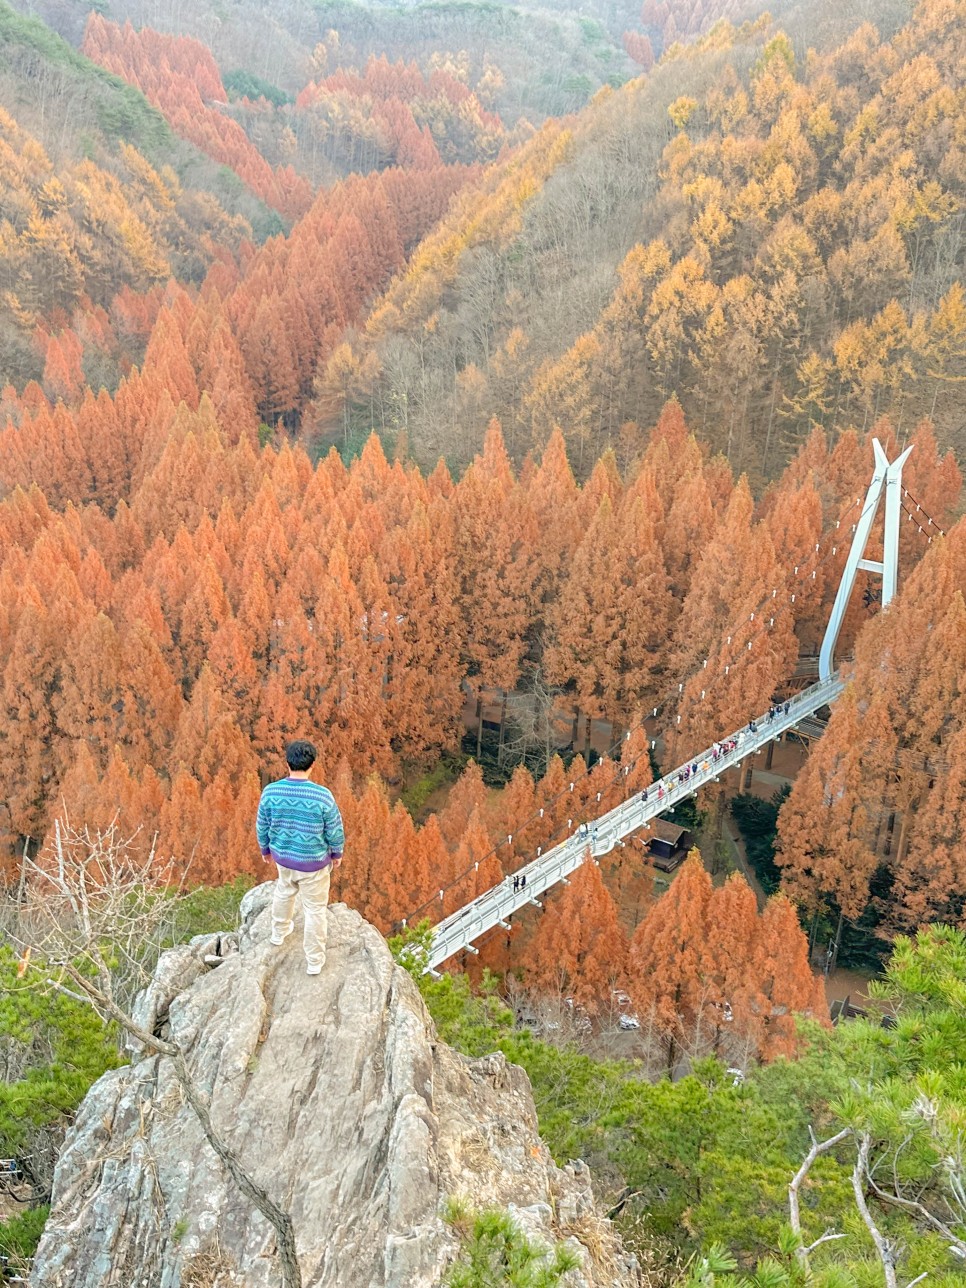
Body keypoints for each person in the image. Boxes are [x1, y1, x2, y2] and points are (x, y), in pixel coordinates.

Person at [256, 740, 345, 976]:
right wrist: (336, 853)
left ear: (287, 763)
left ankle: (278, 933)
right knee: (315, 910)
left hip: (283, 857)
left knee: (283, 892)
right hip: (313, 863)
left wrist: (265, 849)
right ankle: (314, 961)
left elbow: (262, 824)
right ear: (312, 764)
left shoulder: (271, 792)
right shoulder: (322, 796)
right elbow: (334, 830)